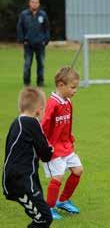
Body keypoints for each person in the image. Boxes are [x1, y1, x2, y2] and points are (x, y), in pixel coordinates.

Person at [2, 87, 54, 228]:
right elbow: (46, 154)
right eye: (44, 110)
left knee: (42, 215)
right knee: (44, 218)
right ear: (39, 110)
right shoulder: (32, 123)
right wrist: (51, 149)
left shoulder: (17, 122)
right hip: (20, 182)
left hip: (19, 178)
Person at [41, 67, 83, 220]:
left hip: (66, 146)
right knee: (57, 178)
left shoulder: (68, 102)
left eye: (76, 87)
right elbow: (43, 126)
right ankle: (49, 209)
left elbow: (67, 123)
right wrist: (43, 147)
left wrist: (70, 139)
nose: (75, 90)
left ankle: (63, 200)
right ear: (60, 85)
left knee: (78, 170)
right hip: (52, 149)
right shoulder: (52, 103)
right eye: (72, 87)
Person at [17, 0, 50, 87]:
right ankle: (26, 83)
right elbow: (20, 28)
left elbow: (47, 28)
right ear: (29, 3)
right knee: (27, 64)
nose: (34, 4)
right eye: (32, 2)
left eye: (36, 2)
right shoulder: (24, 14)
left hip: (40, 44)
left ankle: (40, 83)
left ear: (38, 4)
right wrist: (23, 40)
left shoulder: (43, 14)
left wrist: (46, 40)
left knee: (41, 64)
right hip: (28, 44)